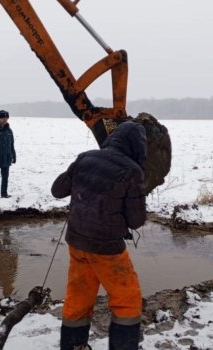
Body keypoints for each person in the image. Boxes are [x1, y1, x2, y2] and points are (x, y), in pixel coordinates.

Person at [51, 121, 147, 350]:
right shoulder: (132, 171)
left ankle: (74, 346)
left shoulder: (85, 157)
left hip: (76, 242)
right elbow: (136, 221)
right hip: (107, 249)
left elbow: (57, 190)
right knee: (127, 300)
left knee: (78, 295)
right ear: (137, 146)